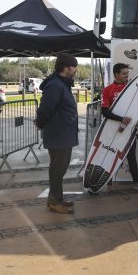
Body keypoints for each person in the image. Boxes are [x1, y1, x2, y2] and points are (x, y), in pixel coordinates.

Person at [35, 53, 79, 214]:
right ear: (67, 68)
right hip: (58, 134)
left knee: (59, 168)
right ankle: (55, 201)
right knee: (57, 169)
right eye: (74, 66)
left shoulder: (62, 84)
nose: (75, 70)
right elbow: (45, 108)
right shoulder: (55, 85)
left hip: (63, 134)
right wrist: (39, 122)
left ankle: (55, 199)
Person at [101, 63, 138, 193]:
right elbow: (104, 112)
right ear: (116, 74)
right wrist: (121, 119)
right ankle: (108, 184)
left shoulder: (132, 88)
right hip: (113, 130)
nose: (126, 76)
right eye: (123, 73)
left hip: (130, 129)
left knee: (131, 156)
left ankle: (136, 183)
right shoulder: (108, 90)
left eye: (127, 73)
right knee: (111, 156)